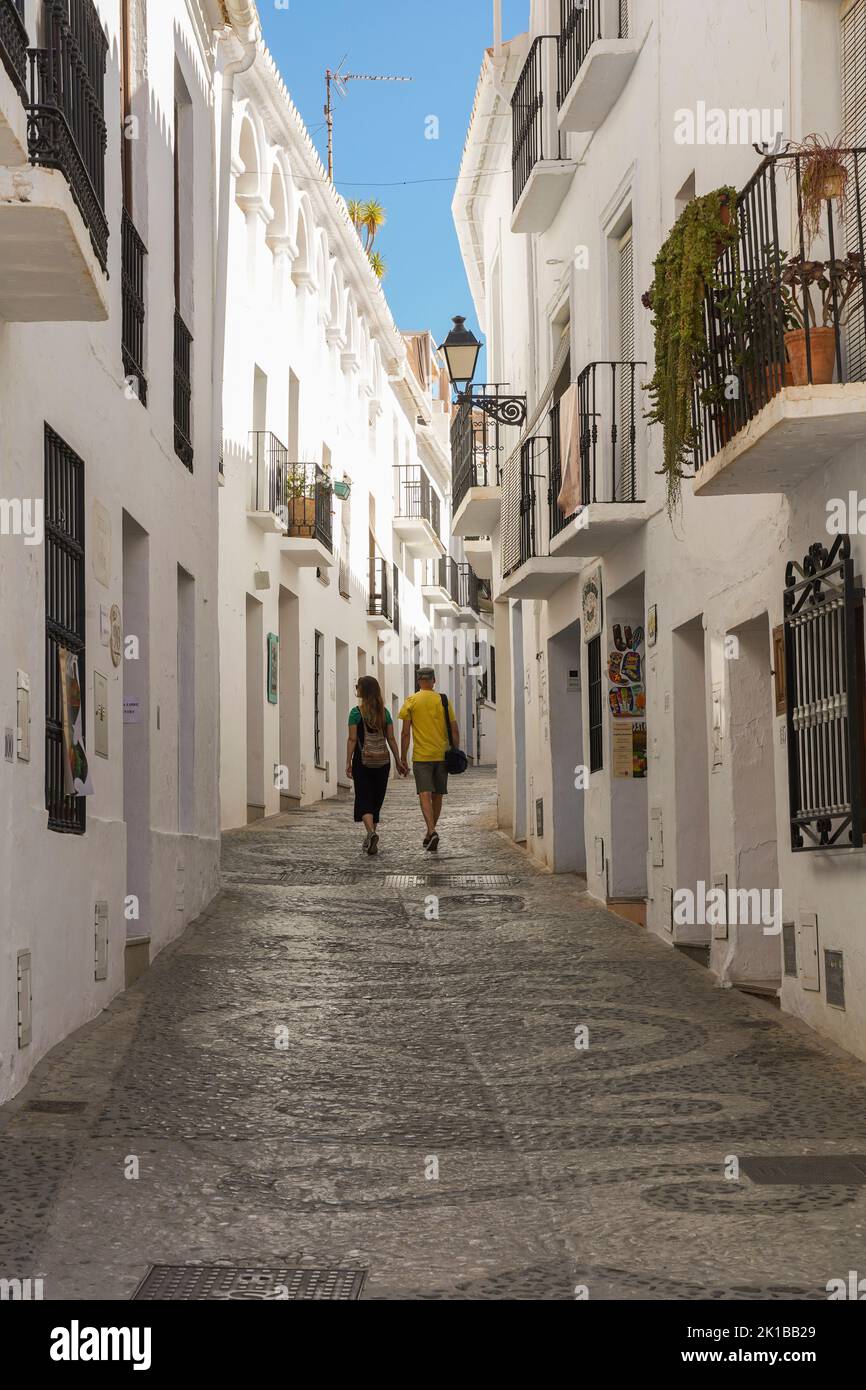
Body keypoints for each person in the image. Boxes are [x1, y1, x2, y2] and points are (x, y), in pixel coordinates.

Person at [399, 667, 459, 852]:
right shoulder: (443, 700)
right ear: (434, 681)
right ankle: (430, 831)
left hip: (421, 756)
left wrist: (402, 757)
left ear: (418, 681)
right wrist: (455, 751)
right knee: (438, 795)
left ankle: (431, 831)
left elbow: (405, 733)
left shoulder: (411, 701)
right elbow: (454, 729)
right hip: (441, 755)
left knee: (424, 794)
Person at [346, 675, 407, 854]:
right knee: (375, 800)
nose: (356, 688)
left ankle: (371, 832)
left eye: (358, 686)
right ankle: (372, 835)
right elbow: (391, 738)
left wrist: (347, 761)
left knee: (363, 798)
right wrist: (398, 759)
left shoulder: (356, 713)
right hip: (382, 762)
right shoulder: (385, 713)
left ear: (364, 690)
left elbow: (351, 739)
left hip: (362, 761)